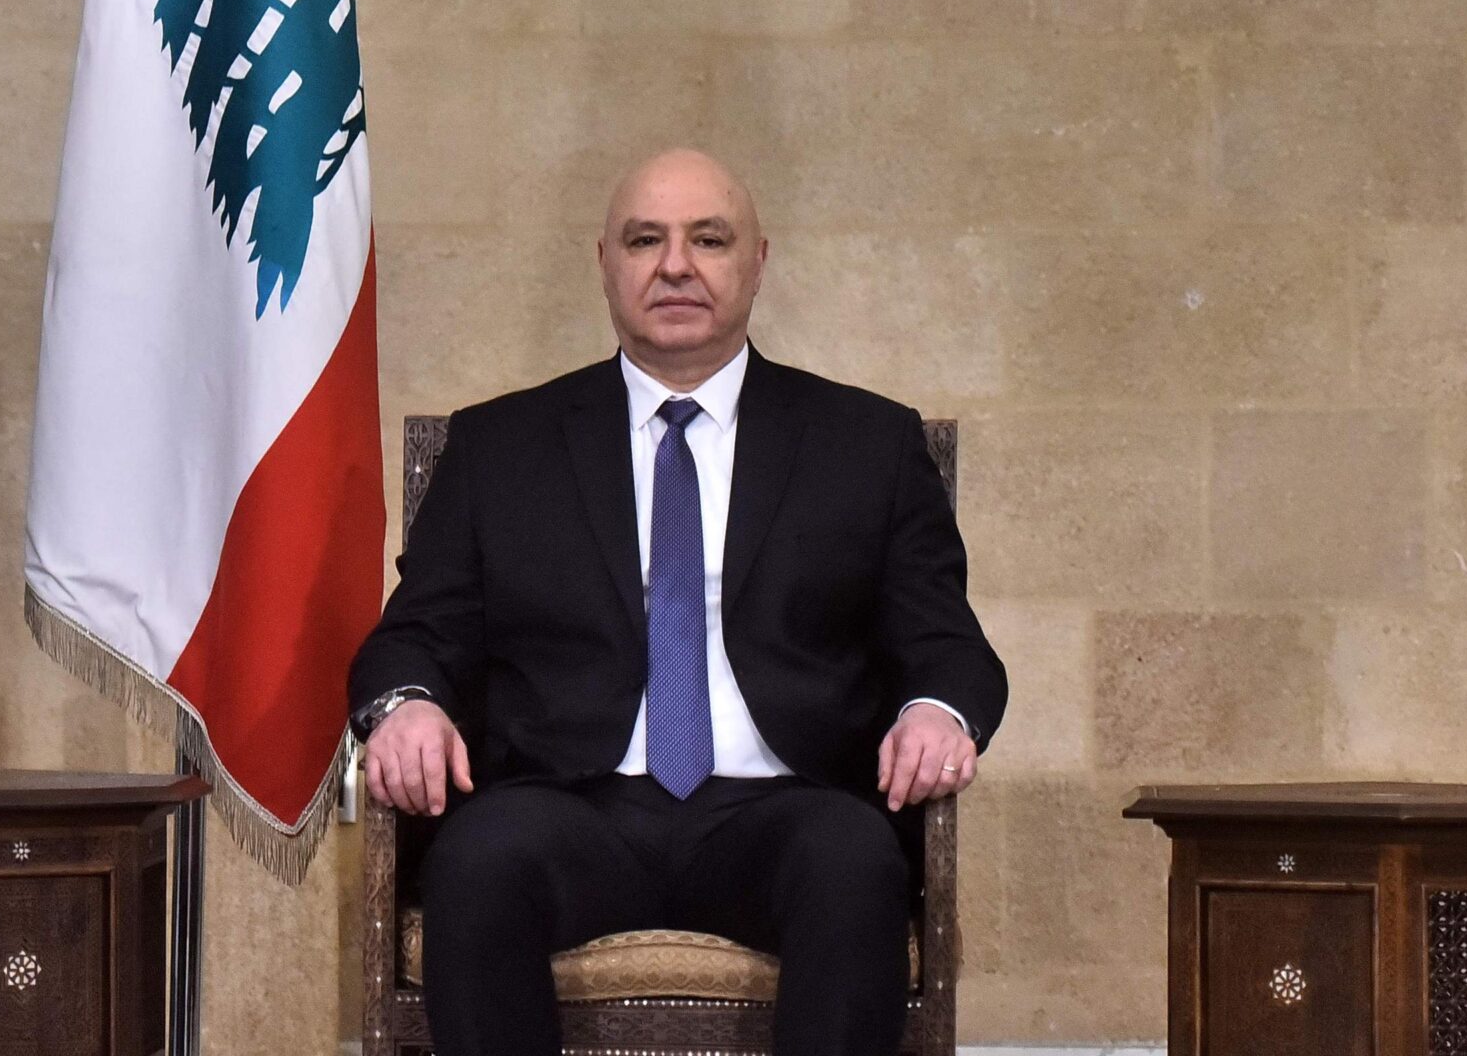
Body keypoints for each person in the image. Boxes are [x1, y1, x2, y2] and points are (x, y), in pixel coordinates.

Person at [347, 149, 1006, 1056]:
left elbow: (951, 647)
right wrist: (405, 707)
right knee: (478, 862)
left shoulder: (868, 445)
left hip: (783, 807)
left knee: (853, 862)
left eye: (709, 239)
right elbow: (415, 634)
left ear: (759, 261)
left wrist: (937, 713)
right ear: (606, 263)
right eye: (644, 240)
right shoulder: (502, 445)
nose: (675, 265)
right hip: (568, 806)